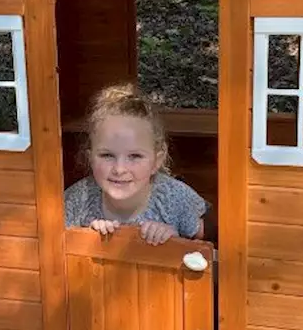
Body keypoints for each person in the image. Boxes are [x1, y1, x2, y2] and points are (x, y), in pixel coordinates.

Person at [63, 84, 207, 245]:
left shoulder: (175, 197)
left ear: (156, 161)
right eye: (107, 155)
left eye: (135, 156)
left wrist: (176, 241)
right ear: (90, 158)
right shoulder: (78, 199)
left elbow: (210, 238)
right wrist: (85, 239)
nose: (119, 169)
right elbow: (54, 247)